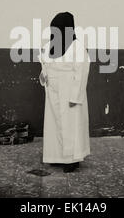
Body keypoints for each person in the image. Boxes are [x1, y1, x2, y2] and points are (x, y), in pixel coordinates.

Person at [38, 12, 91, 173]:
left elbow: (82, 72)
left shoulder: (77, 47)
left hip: (69, 93)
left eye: (57, 29)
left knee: (71, 126)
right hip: (53, 93)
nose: (54, 33)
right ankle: (56, 157)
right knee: (54, 125)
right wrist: (44, 75)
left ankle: (71, 160)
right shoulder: (49, 46)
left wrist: (75, 96)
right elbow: (45, 64)